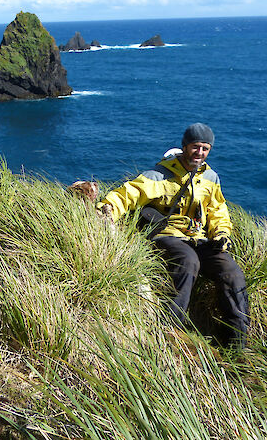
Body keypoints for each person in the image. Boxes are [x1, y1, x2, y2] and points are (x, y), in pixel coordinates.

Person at [98, 123, 249, 348]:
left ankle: (237, 344)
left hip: (200, 239)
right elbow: (129, 193)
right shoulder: (159, 175)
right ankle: (170, 331)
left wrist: (222, 234)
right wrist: (106, 208)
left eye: (205, 148)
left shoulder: (211, 178)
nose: (200, 153)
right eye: (195, 147)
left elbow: (218, 211)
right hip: (167, 235)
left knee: (232, 272)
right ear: (184, 146)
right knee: (188, 262)